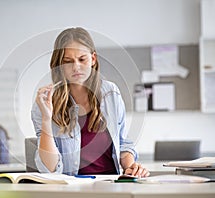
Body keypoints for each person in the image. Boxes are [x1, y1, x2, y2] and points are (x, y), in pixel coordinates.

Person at [31, 27, 150, 177]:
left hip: (110, 184)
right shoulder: (44, 103)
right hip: (71, 188)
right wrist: (46, 119)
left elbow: (122, 143)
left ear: (93, 59)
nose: (76, 67)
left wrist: (131, 166)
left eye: (82, 59)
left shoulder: (110, 93)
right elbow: (49, 168)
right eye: (68, 61)